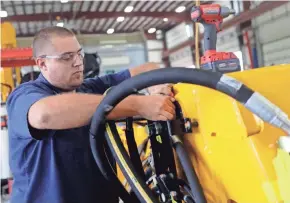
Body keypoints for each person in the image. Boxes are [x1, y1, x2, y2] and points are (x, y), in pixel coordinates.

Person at [7, 26, 175, 203]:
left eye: (79, 54)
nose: (78, 62)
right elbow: (44, 115)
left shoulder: (89, 88)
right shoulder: (24, 95)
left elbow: (148, 69)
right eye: (67, 57)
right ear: (42, 63)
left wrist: (157, 85)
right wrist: (138, 105)